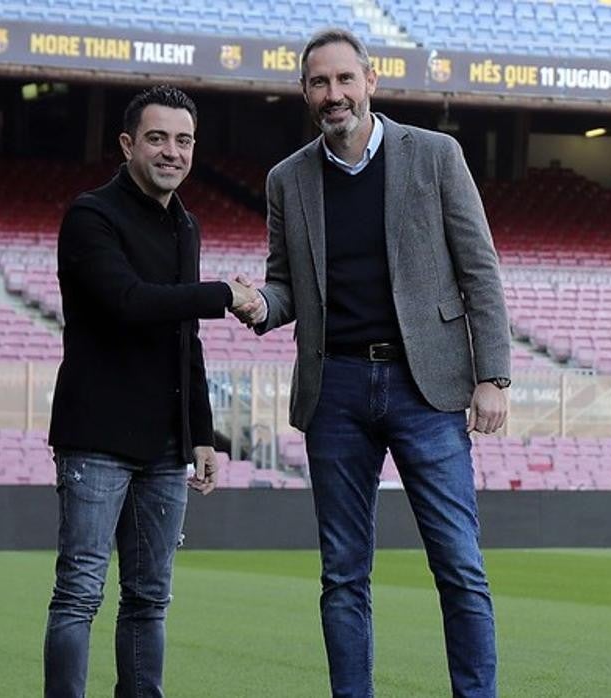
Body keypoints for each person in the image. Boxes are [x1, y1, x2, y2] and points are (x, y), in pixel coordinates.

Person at [231, 28, 511, 698]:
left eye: (344, 80)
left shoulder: (436, 155)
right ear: (305, 93)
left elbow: (480, 271)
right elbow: (286, 285)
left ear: (371, 82)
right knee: (343, 574)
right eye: (319, 83)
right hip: (337, 392)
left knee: (459, 565)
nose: (334, 94)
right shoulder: (287, 180)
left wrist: (492, 376)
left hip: (428, 387)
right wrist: (258, 306)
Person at [44, 85, 256, 698]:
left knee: (149, 599)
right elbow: (129, 303)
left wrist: (204, 434)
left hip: (167, 444)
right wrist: (225, 293)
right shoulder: (91, 216)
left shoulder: (184, 224)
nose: (172, 152)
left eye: (184, 140)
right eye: (158, 138)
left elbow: (182, 338)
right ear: (127, 143)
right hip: (97, 435)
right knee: (81, 591)